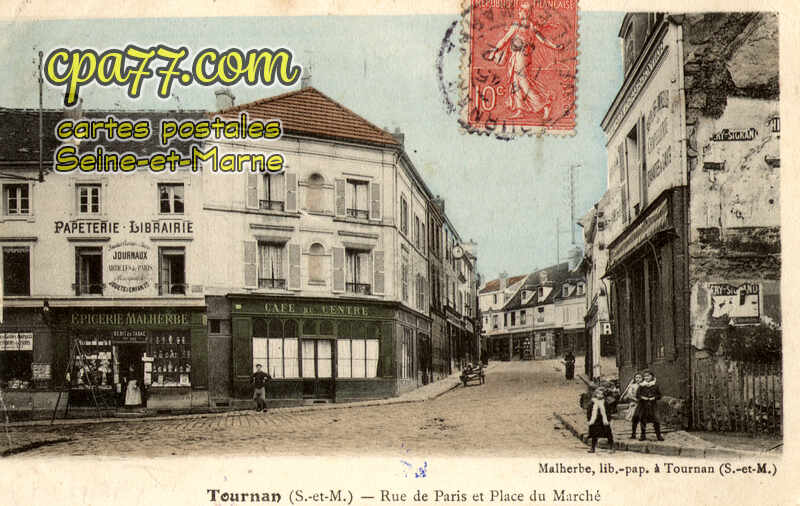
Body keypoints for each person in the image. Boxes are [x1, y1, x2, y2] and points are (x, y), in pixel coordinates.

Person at [486, 3, 565, 119]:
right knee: (515, 81)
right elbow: (506, 39)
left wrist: (555, 46)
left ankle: (544, 104)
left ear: (526, 12)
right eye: (520, 10)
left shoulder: (525, 26)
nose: (519, 12)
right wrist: (495, 50)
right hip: (517, 56)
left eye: (522, 10)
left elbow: (542, 40)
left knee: (523, 82)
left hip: (522, 57)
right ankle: (520, 109)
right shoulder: (524, 26)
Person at [636, 370, 664, 441]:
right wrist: (642, 397)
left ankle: (658, 435)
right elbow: (637, 395)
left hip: (653, 406)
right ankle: (643, 435)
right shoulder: (641, 386)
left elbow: (659, 395)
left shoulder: (655, 386)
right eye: (645, 376)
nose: (646, 377)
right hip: (643, 405)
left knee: (656, 419)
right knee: (643, 420)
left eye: (648, 376)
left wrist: (654, 398)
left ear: (652, 377)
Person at [586, 388, 614, 453]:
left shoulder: (605, 403)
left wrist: (608, 419)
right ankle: (592, 447)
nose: (600, 395)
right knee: (594, 434)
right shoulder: (592, 402)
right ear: (596, 394)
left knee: (608, 433)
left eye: (601, 394)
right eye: (598, 394)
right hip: (595, 420)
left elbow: (608, 411)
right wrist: (589, 419)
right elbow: (589, 411)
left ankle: (611, 446)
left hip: (603, 420)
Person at [620, 372, 643, 439]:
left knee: (642, 419)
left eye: (639, 378)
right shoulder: (632, 386)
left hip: (642, 404)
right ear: (634, 379)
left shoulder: (644, 385)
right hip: (635, 404)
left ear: (642, 378)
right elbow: (629, 395)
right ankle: (633, 434)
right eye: (636, 378)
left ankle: (642, 434)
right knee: (634, 419)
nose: (638, 379)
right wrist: (634, 399)